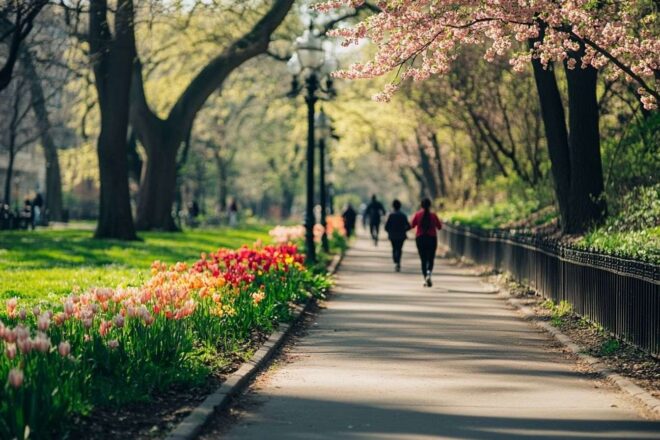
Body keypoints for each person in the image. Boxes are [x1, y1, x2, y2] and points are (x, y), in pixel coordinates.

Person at [411, 198, 443, 287]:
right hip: (432, 238)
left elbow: (412, 225)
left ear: (421, 205)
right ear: (430, 205)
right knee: (431, 258)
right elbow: (439, 227)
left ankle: (425, 277)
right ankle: (429, 272)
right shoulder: (433, 215)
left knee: (423, 259)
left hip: (420, 238)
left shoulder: (417, 215)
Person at [384, 199, 411, 272]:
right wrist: (404, 230)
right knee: (399, 249)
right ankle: (398, 262)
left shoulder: (391, 215)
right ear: (400, 206)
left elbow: (386, 227)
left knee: (394, 248)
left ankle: (395, 261)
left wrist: (389, 231)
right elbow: (408, 226)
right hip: (401, 236)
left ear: (393, 206)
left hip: (392, 235)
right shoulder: (403, 215)